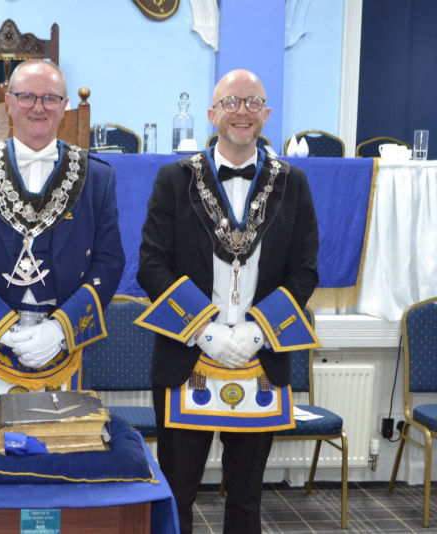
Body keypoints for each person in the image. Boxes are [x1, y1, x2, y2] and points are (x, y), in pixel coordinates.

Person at [136, 69, 320, 534]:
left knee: (246, 500)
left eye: (253, 102)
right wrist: (205, 330)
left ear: (267, 114)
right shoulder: (174, 179)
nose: (242, 111)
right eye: (231, 102)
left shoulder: (293, 183)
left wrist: (259, 330)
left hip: (261, 358)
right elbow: (152, 266)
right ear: (212, 114)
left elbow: (304, 271)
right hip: (187, 356)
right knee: (176, 496)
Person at [0, 59, 125, 394]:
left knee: (63, 429)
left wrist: (60, 330)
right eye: (27, 97)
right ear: (9, 103)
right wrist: (0, 328)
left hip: (63, 349)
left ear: (64, 107)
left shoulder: (97, 177)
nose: (39, 107)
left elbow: (108, 263)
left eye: (50, 98)